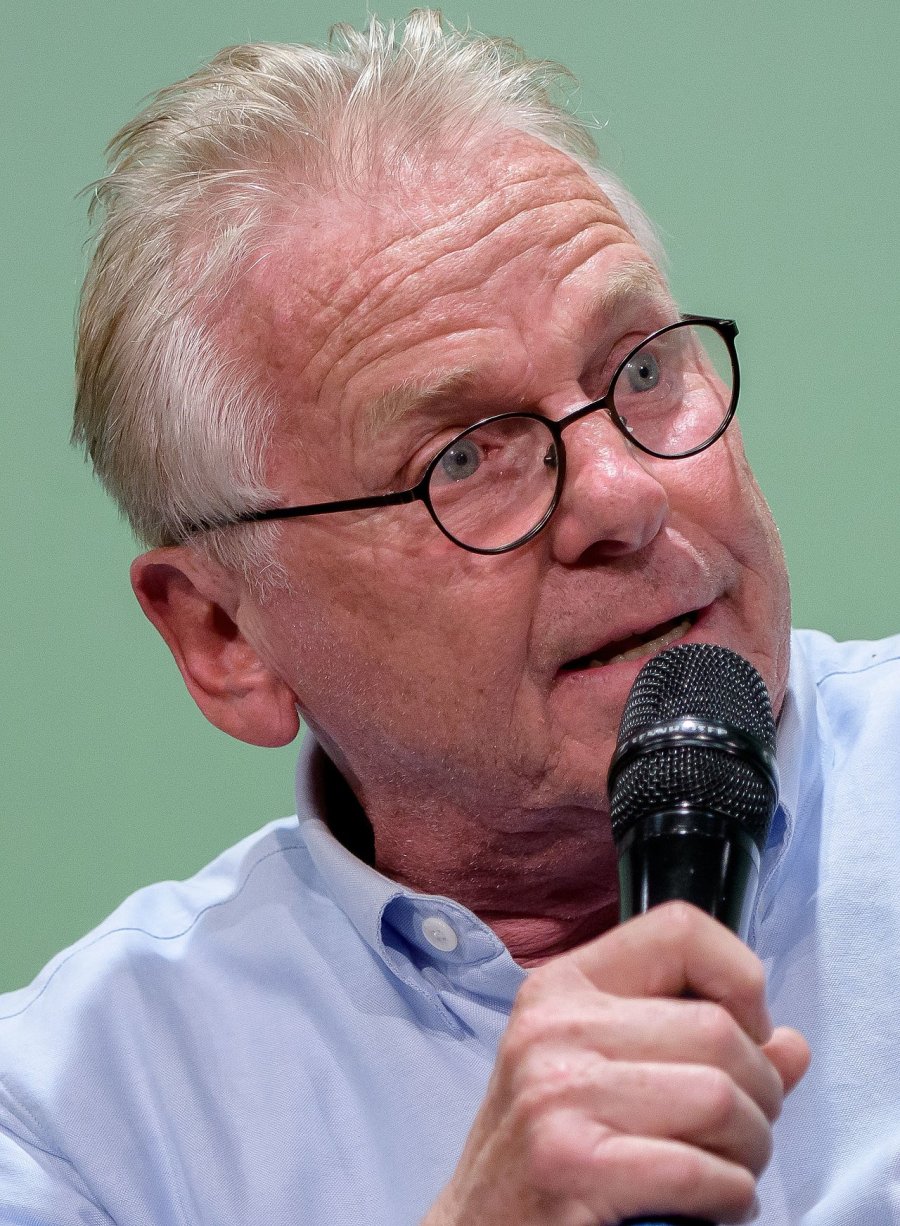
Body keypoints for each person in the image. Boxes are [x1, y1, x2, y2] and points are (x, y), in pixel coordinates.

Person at [1, 11, 898, 1224]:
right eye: (465, 456)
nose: (625, 494)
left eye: (641, 371)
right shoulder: (74, 1128)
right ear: (224, 635)